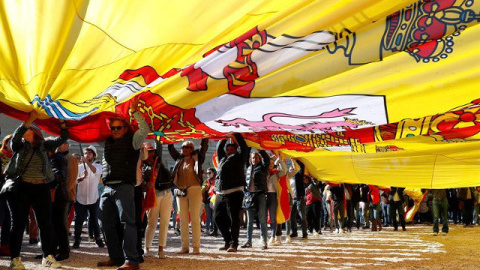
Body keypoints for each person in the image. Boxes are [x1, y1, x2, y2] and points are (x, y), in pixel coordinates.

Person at [5, 111, 67, 269]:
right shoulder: (19, 145)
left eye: (28, 129)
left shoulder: (44, 146)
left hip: (42, 187)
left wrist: (61, 120)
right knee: (18, 224)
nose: (24, 131)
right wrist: (29, 120)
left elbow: (64, 137)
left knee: (45, 224)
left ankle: (48, 257)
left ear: (35, 133)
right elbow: (16, 136)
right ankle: (15, 259)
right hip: (22, 188)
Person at [98, 97, 149, 270]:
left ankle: (132, 261)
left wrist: (135, 112)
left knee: (128, 223)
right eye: (112, 128)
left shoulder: (134, 141)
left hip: (124, 186)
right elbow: (93, 131)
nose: (115, 130)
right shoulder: (107, 142)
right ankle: (116, 257)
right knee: (105, 223)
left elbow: (145, 129)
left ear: (126, 128)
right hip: (107, 188)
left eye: (119, 127)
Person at [168, 138, 208, 254]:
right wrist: (168, 137)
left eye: (188, 147)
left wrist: (205, 135)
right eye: (183, 147)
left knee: (195, 219)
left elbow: (204, 147)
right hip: (181, 191)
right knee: (183, 220)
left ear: (193, 149)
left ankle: (196, 247)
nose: (185, 149)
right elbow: (171, 148)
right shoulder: (178, 159)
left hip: (194, 189)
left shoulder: (198, 158)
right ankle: (184, 247)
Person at [214, 134, 248, 252]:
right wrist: (224, 135)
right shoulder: (222, 159)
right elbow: (219, 148)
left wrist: (236, 134)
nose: (229, 151)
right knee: (217, 218)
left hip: (234, 193)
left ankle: (234, 244)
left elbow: (244, 146)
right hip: (221, 193)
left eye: (231, 149)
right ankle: (227, 241)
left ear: (236, 150)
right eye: (227, 150)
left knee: (234, 219)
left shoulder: (240, 158)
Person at [144, 141, 173, 259]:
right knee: (152, 222)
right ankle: (147, 248)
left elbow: (159, 146)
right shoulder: (143, 166)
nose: (152, 153)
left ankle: (161, 249)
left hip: (166, 192)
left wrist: (157, 137)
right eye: (149, 151)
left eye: (153, 151)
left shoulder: (158, 161)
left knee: (165, 222)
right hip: (154, 194)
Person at [73, 145, 104, 249]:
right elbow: (75, 181)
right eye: (86, 153)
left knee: (94, 219)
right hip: (80, 198)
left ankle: (98, 239)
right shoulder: (79, 167)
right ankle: (77, 239)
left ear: (94, 156)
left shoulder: (98, 166)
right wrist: (81, 178)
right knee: (79, 220)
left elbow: (96, 172)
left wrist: (86, 163)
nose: (87, 155)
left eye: (90, 153)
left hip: (93, 197)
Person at [242, 150, 270, 250]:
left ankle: (264, 241)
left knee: (262, 219)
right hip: (249, 196)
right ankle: (249, 241)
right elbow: (245, 156)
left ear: (259, 158)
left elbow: (267, 159)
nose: (254, 159)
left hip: (260, 195)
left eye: (256, 157)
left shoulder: (263, 168)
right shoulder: (248, 167)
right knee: (249, 221)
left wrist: (260, 149)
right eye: (253, 157)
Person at [47, 139, 70, 261]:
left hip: (58, 195)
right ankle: (51, 252)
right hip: (59, 194)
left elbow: (59, 175)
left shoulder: (57, 158)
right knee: (54, 224)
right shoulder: (56, 158)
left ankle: (63, 251)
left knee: (59, 225)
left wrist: (48, 181)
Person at [265, 152, 286, 246]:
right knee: (263, 217)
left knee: (273, 218)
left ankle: (273, 237)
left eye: (272, 163)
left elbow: (284, 170)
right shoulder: (262, 171)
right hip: (263, 196)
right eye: (269, 162)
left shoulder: (276, 173)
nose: (271, 164)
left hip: (273, 196)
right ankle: (264, 236)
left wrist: (279, 160)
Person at [0, 134, 13, 256]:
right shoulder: (0, 154)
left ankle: (5, 246)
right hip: (0, 189)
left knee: (8, 220)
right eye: (10, 142)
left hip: (11, 191)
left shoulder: (17, 157)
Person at [289, 160, 308, 239]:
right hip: (293, 199)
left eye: (292, 169)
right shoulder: (289, 178)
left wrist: (295, 160)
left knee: (302, 217)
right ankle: (294, 232)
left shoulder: (299, 175)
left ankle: (304, 233)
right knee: (292, 217)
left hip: (300, 198)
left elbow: (302, 166)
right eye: (290, 170)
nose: (291, 170)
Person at [202, 168, 217, 236]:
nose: (208, 174)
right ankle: (207, 229)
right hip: (207, 200)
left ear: (213, 173)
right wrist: (205, 188)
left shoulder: (216, 180)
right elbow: (202, 190)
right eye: (207, 173)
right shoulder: (206, 181)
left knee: (214, 215)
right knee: (208, 215)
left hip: (214, 200)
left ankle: (215, 229)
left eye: (209, 173)